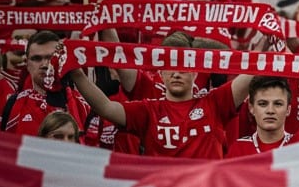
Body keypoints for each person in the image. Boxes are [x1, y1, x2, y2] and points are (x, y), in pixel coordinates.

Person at [69, 33, 255, 159]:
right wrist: (76, 74)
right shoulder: (148, 110)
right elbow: (106, 107)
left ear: (195, 72)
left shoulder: (214, 103)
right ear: (161, 73)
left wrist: (271, 46)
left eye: (183, 68)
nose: (176, 74)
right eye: (170, 68)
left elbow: (255, 68)